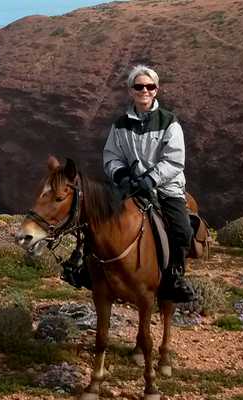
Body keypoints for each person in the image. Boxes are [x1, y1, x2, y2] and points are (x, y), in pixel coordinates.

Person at [101, 64, 195, 303]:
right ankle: (84, 268)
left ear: (156, 90)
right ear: (131, 91)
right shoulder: (120, 124)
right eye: (139, 86)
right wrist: (121, 175)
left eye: (149, 86)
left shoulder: (169, 122)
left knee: (182, 230)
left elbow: (175, 160)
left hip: (165, 186)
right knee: (97, 217)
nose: (144, 90)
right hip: (130, 184)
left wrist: (151, 179)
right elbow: (111, 155)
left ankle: (174, 276)